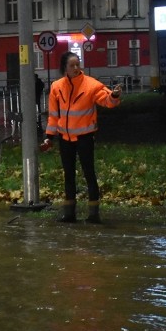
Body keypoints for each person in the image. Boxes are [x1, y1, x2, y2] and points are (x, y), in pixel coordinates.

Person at [42, 52, 122, 224]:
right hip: (65, 138)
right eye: (72, 65)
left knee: (89, 173)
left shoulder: (91, 85)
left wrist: (114, 96)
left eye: (78, 64)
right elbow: (53, 116)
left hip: (85, 137)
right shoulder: (56, 87)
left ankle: (93, 213)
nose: (76, 68)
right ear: (65, 68)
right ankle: (69, 213)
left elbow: (107, 100)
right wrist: (49, 137)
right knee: (68, 174)